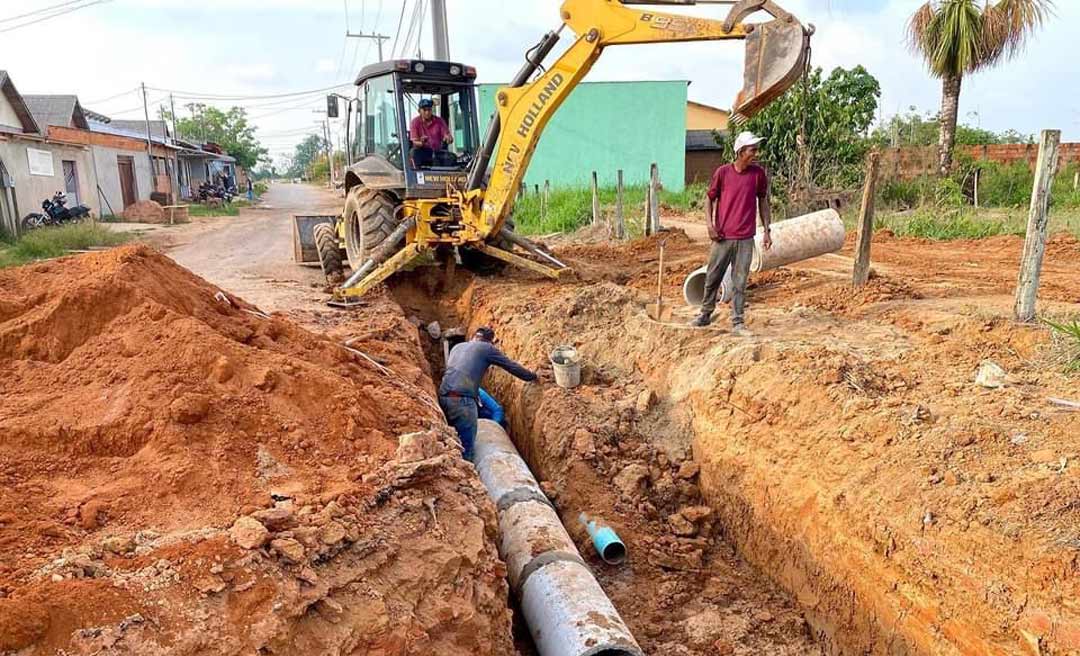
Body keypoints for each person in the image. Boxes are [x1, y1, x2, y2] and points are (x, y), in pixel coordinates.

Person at [690, 130, 773, 336]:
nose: (755, 153)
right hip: (723, 237)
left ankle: (737, 322)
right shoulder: (723, 173)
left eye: (755, 149)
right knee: (712, 277)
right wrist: (710, 225)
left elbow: (763, 201)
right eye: (752, 149)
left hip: (745, 238)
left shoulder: (758, 175)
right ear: (740, 151)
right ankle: (705, 314)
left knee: (740, 281)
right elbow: (709, 198)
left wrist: (767, 231)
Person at [439, 327, 536, 461]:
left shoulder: (457, 347)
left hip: (443, 397)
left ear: (473, 337)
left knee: (454, 441)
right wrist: (532, 376)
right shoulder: (486, 348)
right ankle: (467, 476)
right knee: (467, 449)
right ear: (489, 342)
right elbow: (511, 366)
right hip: (463, 402)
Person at [409, 98, 453, 168]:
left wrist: (448, 138)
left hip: (436, 152)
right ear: (419, 111)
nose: (427, 112)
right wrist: (422, 142)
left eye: (429, 110)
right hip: (422, 152)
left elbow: (447, 135)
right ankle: (417, 174)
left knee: (450, 157)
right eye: (424, 110)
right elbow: (414, 142)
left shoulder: (439, 121)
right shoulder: (415, 122)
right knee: (414, 152)